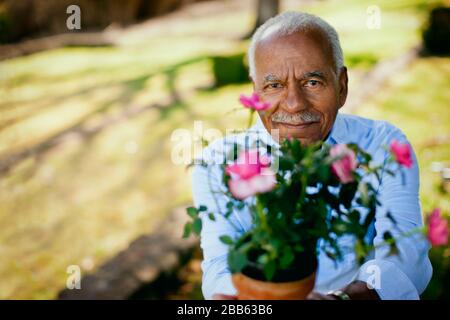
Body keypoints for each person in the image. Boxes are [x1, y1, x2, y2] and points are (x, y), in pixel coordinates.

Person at [192, 11, 432, 300]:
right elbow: (220, 269)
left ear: (342, 86)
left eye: (313, 82)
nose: (294, 104)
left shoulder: (383, 145)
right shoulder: (217, 164)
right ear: (255, 92)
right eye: (274, 85)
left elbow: (405, 257)